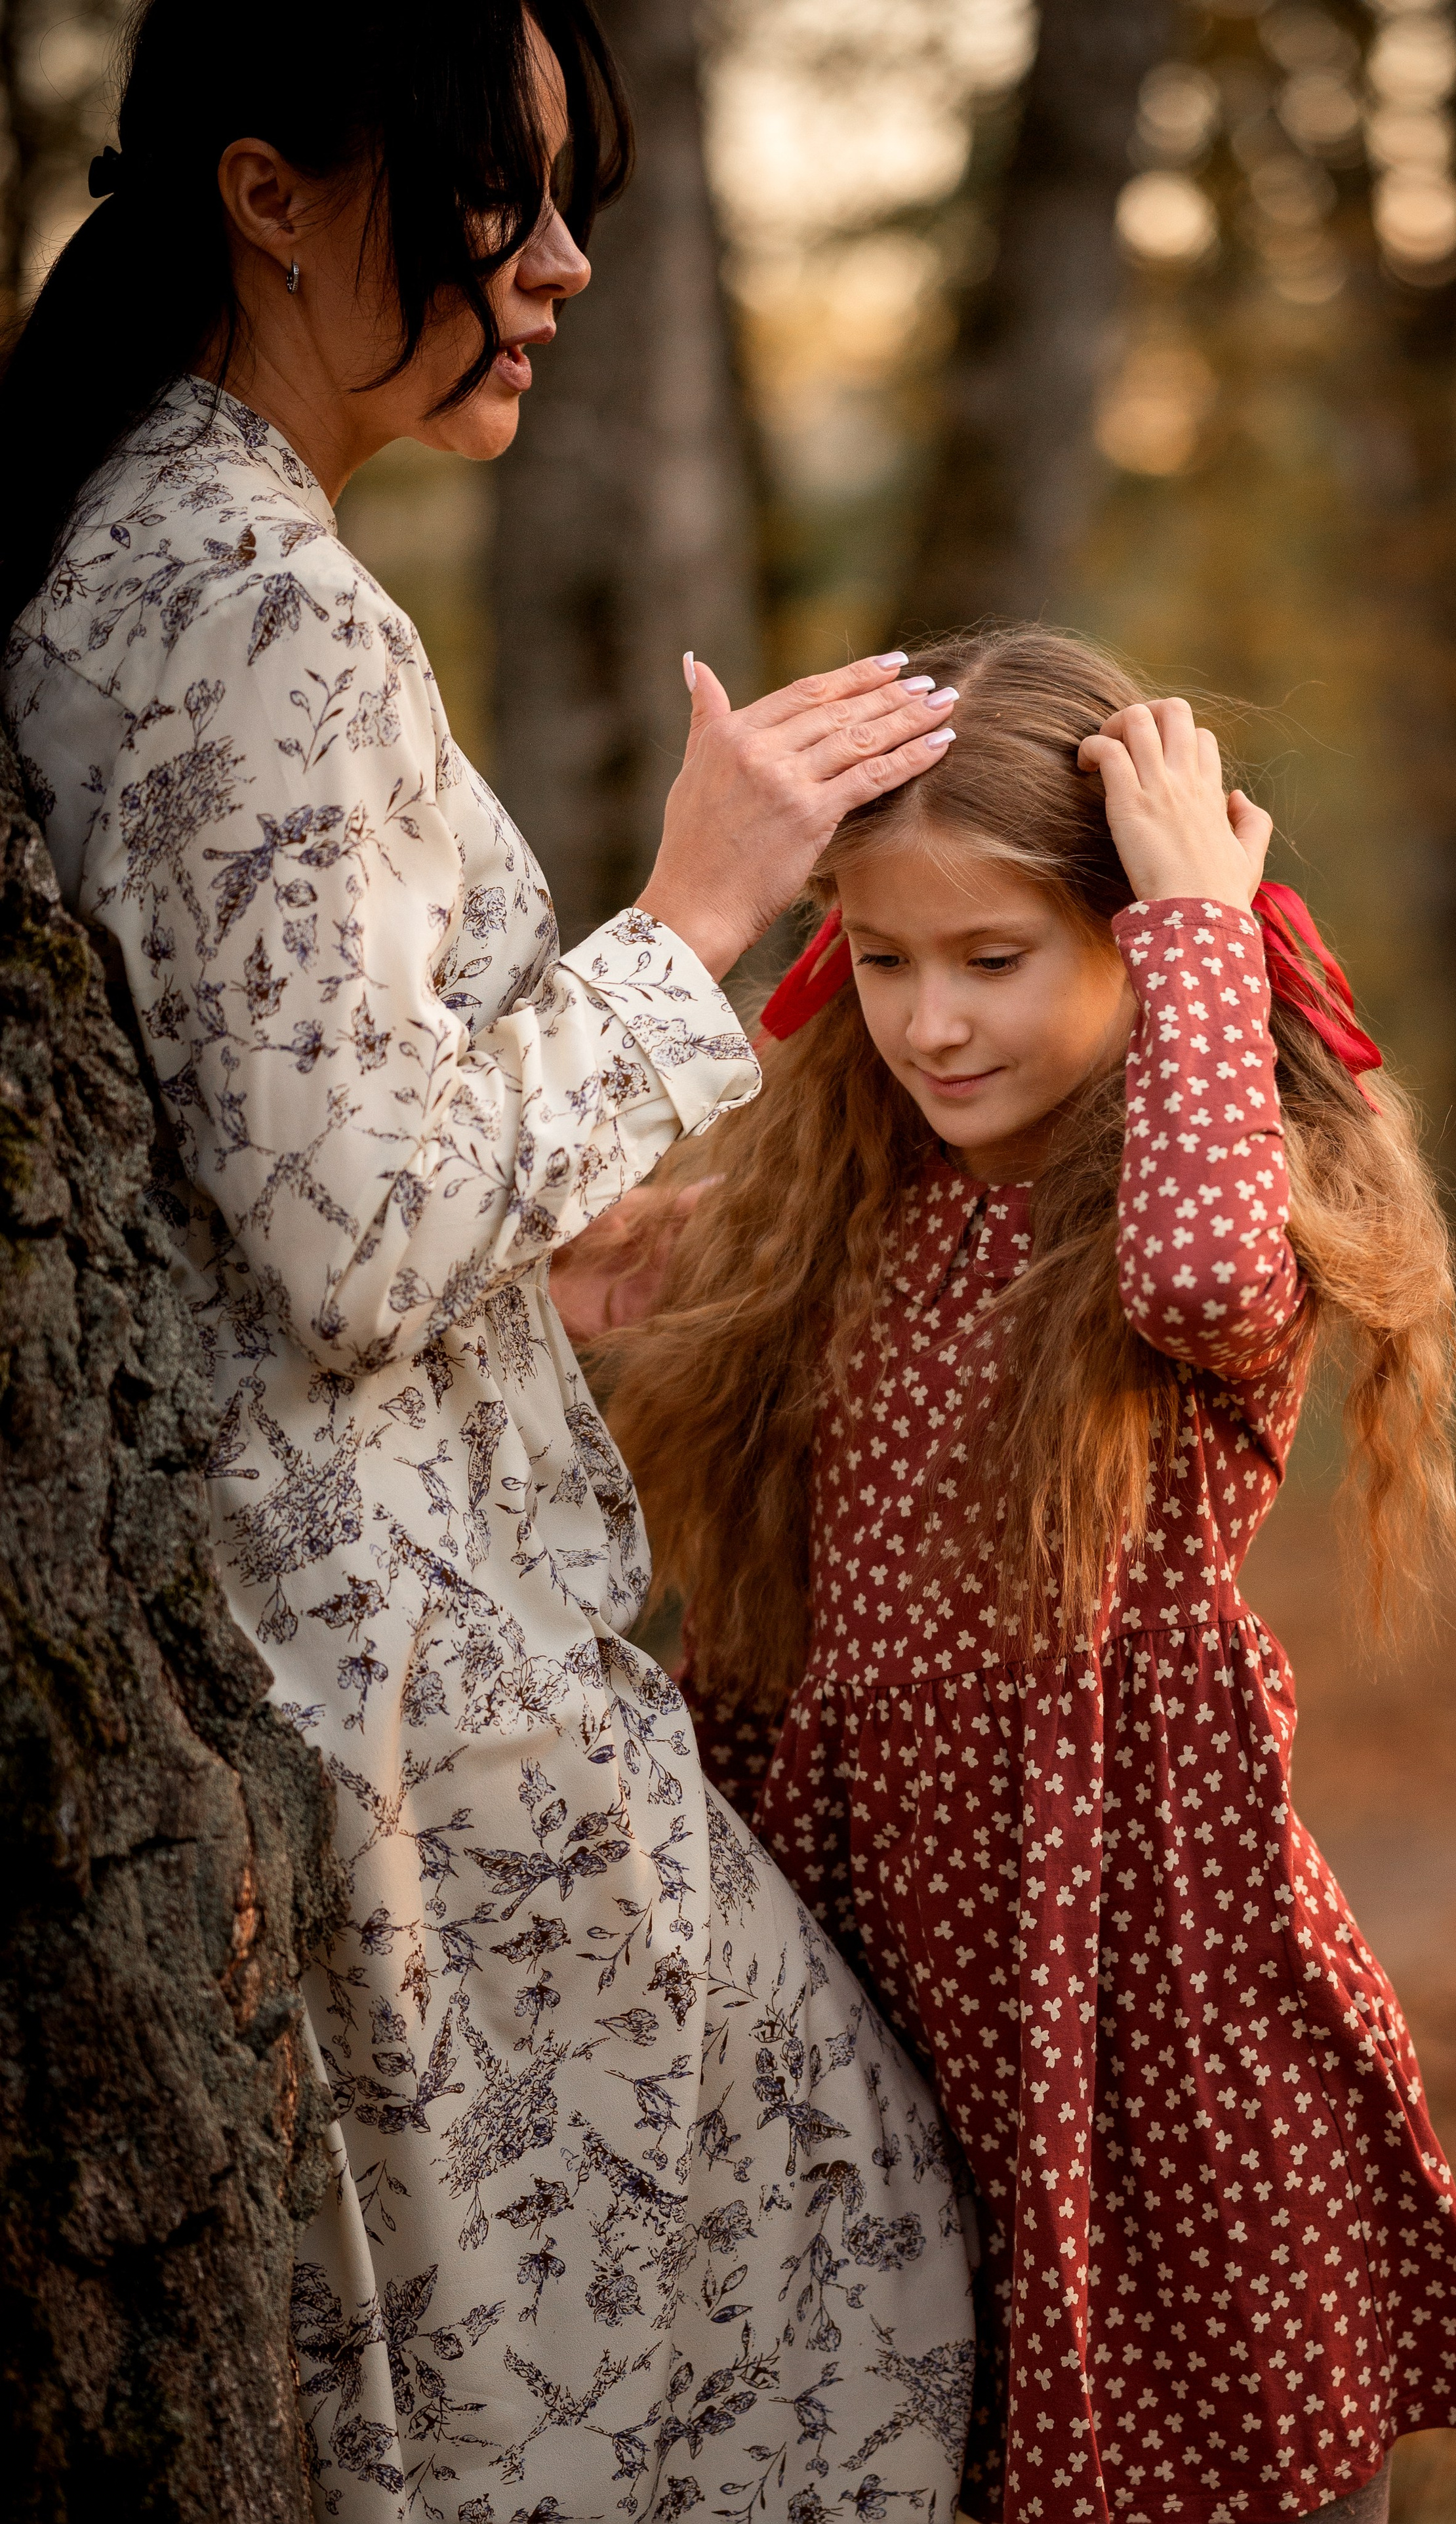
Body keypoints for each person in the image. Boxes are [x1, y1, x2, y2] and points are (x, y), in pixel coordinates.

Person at [0, 5, 976, 2517]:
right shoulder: (256, 606)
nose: (559, 264)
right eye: (496, 192)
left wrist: (557, 1259)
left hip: (361, 1645)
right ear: (269, 194)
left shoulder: (172, 549)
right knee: (840, 2286)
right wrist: (694, 911)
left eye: (570, 198)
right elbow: (349, 1244)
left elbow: (271, 1180)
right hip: (402, 1704)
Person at [597, 627, 1456, 2524]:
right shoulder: (860, 1209)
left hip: (1145, 1977)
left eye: (995, 960)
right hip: (888, 1951)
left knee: (1218, 2419)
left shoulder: (1200, 1214)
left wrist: (1200, 922)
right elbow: (603, 1288)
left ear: (1133, 948)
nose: (931, 1023)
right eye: (888, 960)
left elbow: (1200, 1271)